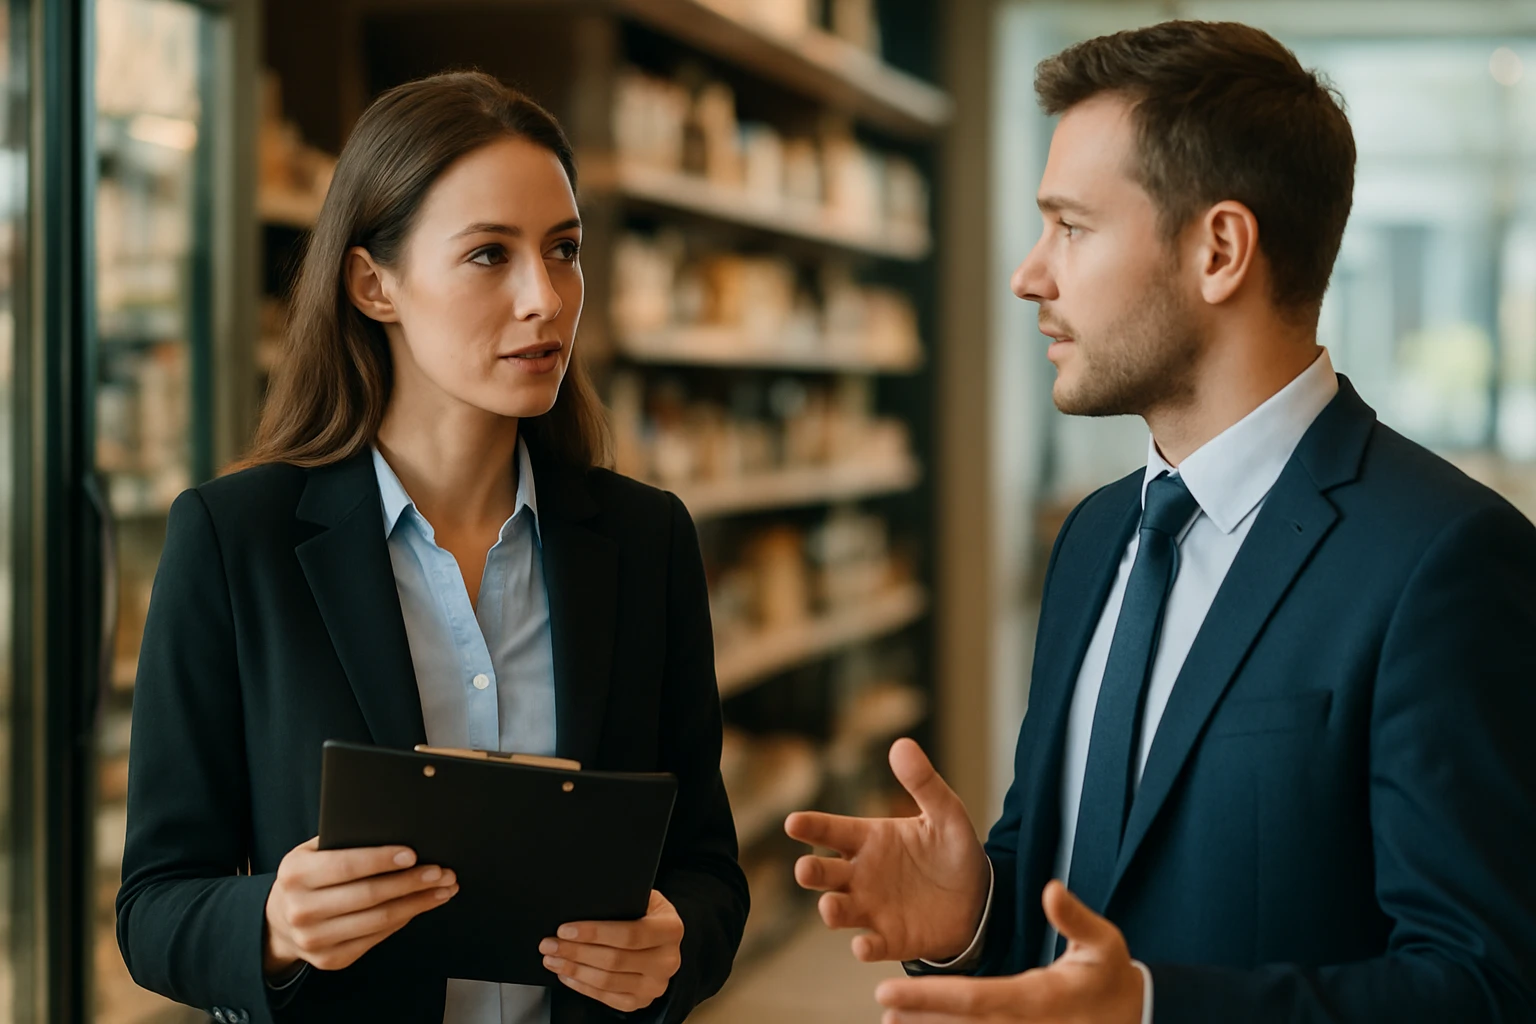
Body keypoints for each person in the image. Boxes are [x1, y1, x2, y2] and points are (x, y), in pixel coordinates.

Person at [786, 20, 1536, 1024]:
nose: (1029, 274)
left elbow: (1484, 987)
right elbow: (1077, 916)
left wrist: (1152, 1010)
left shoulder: (1445, 560)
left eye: (1071, 227)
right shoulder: (1098, 537)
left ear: (1219, 248)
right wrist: (976, 911)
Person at [116, 71, 747, 1024]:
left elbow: (705, 869)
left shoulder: (645, 540)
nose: (546, 297)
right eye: (490, 255)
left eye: (564, 250)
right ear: (375, 284)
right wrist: (274, 923)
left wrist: (677, 948)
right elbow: (155, 906)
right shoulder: (234, 542)